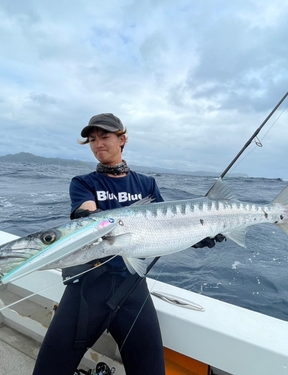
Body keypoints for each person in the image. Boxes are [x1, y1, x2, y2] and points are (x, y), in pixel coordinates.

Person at [32, 113, 223, 375]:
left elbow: (166, 226)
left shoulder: (147, 184)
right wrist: (88, 218)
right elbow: (87, 214)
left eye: (105, 136)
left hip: (132, 286)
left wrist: (198, 236)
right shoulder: (84, 183)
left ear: (122, 139)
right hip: (88, 286)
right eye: (92, 139)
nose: (98, 143)